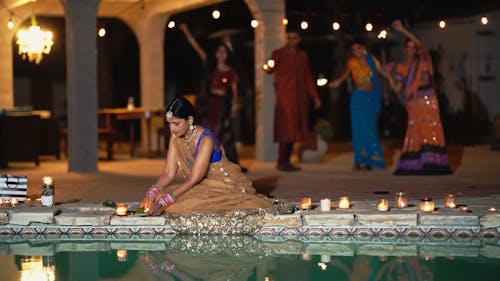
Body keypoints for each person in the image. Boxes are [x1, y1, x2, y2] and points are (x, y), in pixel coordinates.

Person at [139, 96, 274, 216]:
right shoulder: (175, 137)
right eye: (169, 124)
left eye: (176, 124)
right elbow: (168, 173)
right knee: (157, 199)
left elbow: (193, 180)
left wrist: (166, 200)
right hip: (201, 183)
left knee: (180, 206)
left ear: (190, 120)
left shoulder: (205, 139)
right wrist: (151, 193)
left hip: (223, 183)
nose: (172, 129)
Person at [390, 20, 452, 175]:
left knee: (431, 127)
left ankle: (433, 163)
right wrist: (387, 75)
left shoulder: (424, 59)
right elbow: (397, 88)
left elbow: (422, 46)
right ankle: (416, 164)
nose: (411, 50)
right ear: (404, 49)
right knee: (416, 129)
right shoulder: (401, 67)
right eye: (408, 47)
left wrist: (403, 30)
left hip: (428, 97)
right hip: (414, 100)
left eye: (414, 47)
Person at [179, 23, 243, 169]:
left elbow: (235, 91)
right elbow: (197, 48)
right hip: (209, 105)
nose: (221, 54)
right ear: (215, 54)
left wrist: (234, 106)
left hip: (223, 106)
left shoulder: (231, 71)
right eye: (219, 52)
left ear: (227, 55)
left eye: (224, 52)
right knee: (207, 133)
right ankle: (206, 162)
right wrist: (187, 32)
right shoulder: (210, 67)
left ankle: (226, 164)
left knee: (224, 135)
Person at [263, 29, 322, 172]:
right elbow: (270, 69)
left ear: (298, 39)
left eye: (294, 38)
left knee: (295, 129)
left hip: (299, 98)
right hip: (285, 96)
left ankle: (286, 161)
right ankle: (281, 161)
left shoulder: (302, 56)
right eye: (288, 37)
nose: (291, 40)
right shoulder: (279, 53)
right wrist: (268, 67)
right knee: (286, 128)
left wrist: (315, 96)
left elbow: (307, 77)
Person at [328, 37, 390, 171]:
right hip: (358, 98)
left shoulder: (372, 60)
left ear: (364, 48)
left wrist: (393, 75)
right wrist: (337, 82)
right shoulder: (352, 62)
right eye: (354, 50)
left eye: (358, 48)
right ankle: (358, 160)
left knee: (370, 128)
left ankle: (369, 160)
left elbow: (383, 73)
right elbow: (346, 75)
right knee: (358, 128)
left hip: (370, 98)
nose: (356, 52)